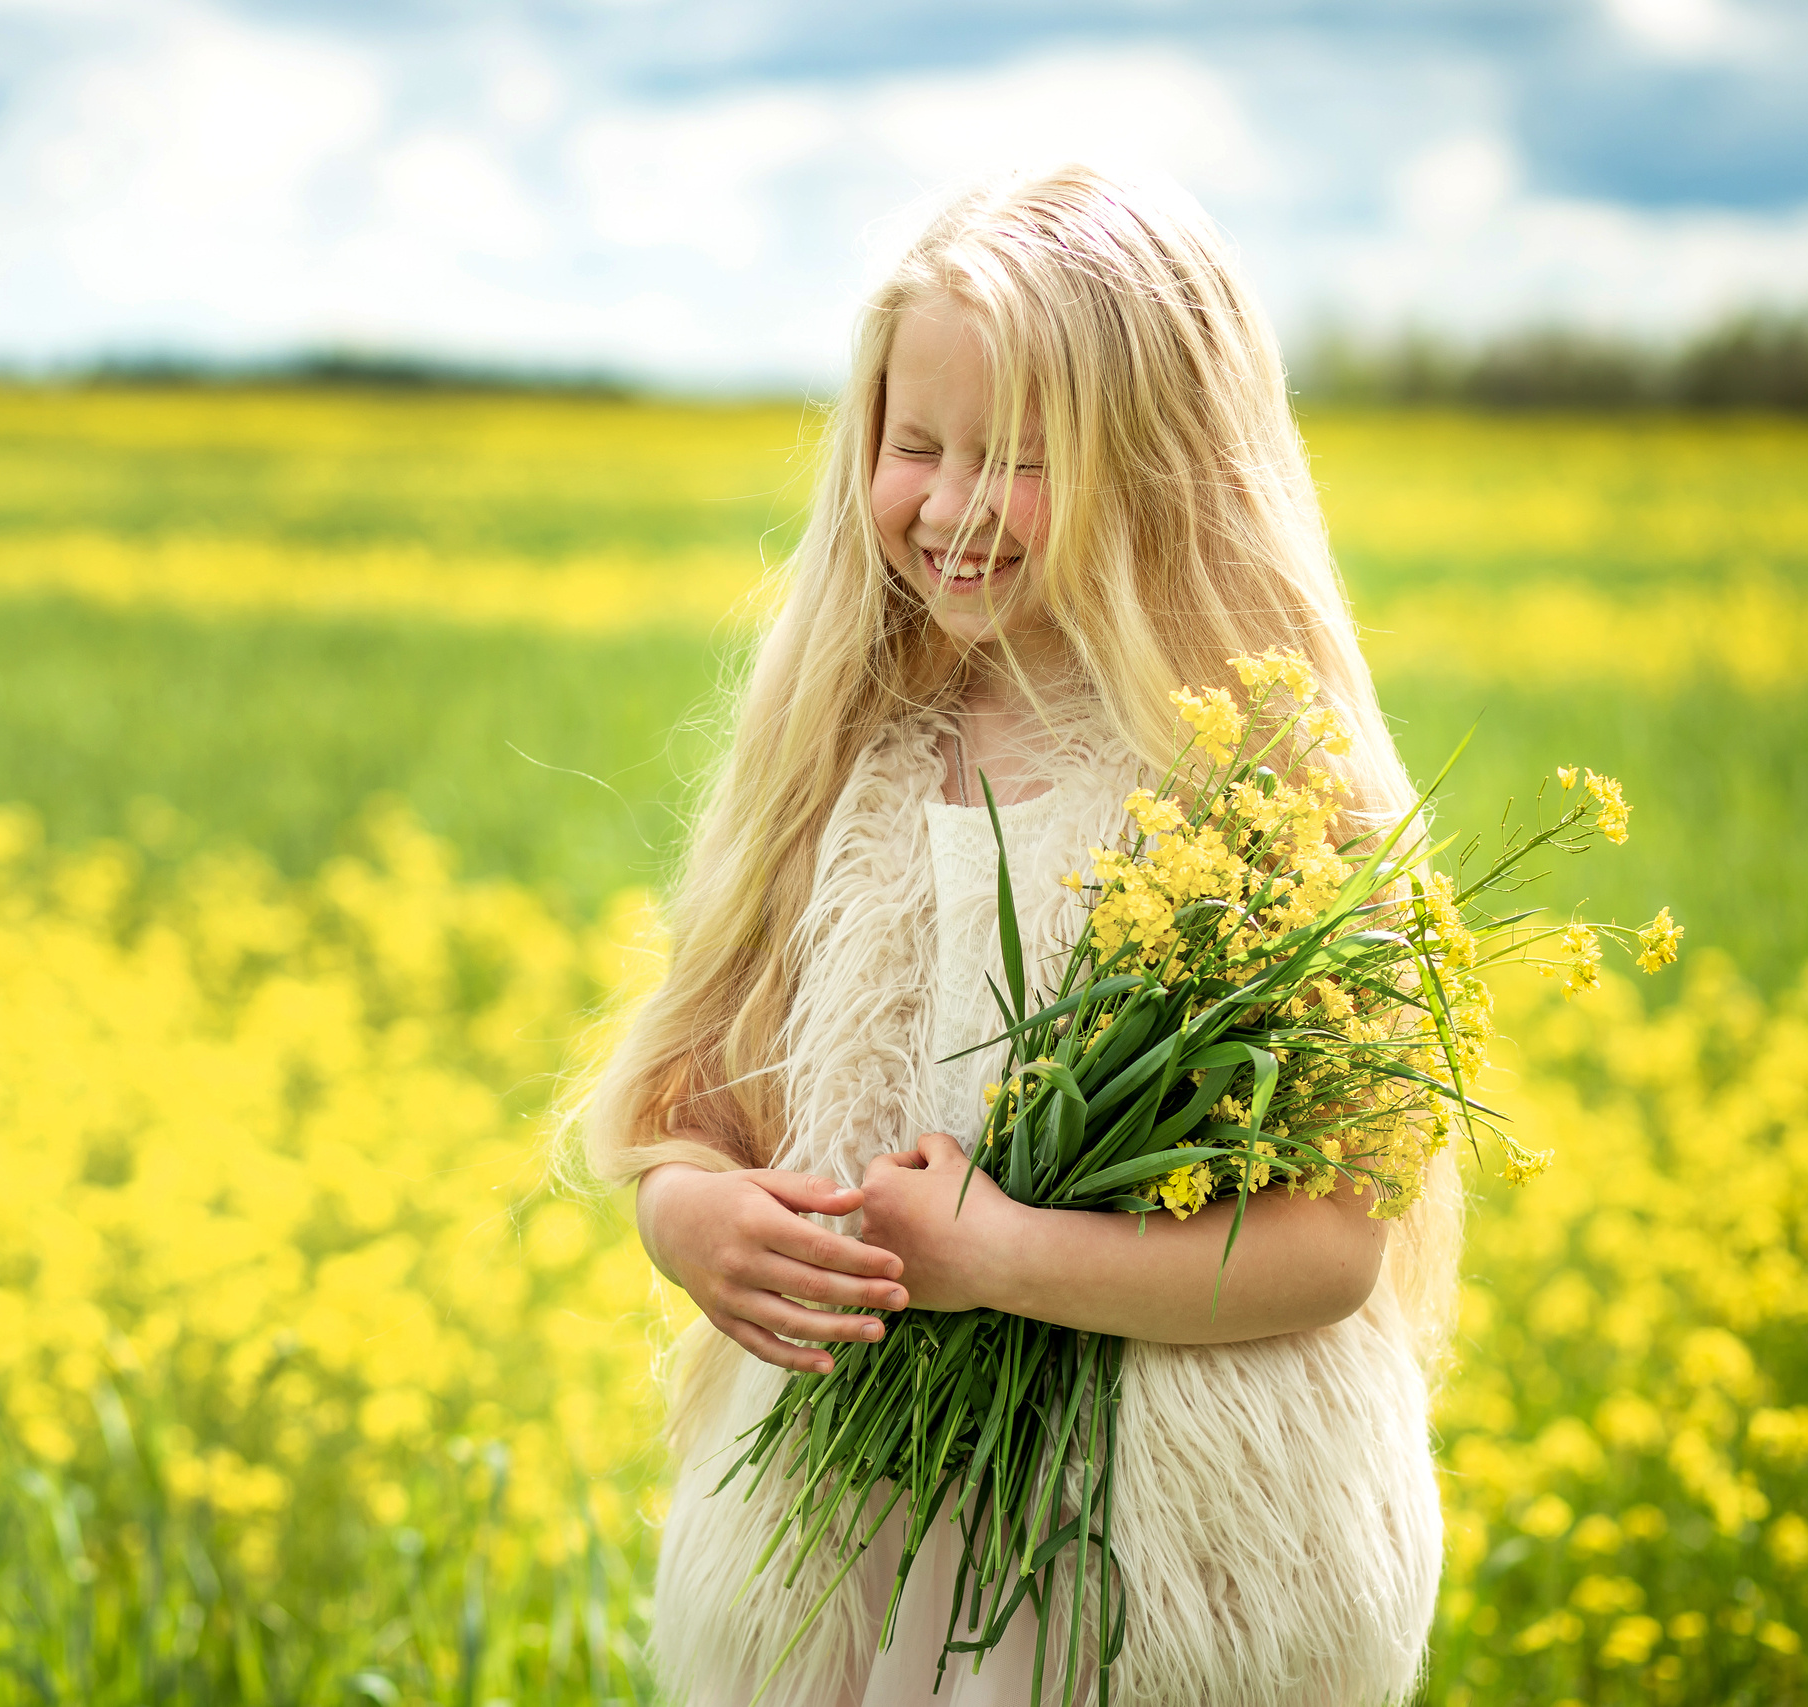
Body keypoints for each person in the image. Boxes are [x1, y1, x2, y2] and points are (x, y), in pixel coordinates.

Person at [577, 165, 1461, 1706]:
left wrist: (1000, 1259)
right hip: (849, 1513)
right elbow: (689, 1114)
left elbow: (1329, 1252)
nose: (955, 502)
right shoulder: (842, 746)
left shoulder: (1264, 790)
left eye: (1024, 460)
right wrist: (689, 1222)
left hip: (1158, 1541)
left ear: (1171, 471)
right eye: (917, 445)